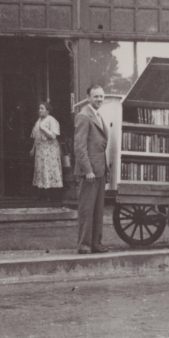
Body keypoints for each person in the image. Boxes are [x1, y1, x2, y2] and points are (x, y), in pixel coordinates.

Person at [74, 85, 110, 254]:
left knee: (98, 210)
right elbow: (79, 147)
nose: (99, 100)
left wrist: (104, 170)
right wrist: (87, 170)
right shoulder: (83, 116)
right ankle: (84, 245)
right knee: (86, 210)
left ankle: (96, 244)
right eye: (96, 97)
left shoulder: (98, 115)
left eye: (101, 97)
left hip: (100, 171)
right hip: (89, 173)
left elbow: (100, 147)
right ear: (88, 98)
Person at [30, 102, 63, 198]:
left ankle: (52, 195)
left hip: (49, 150)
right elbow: (36, 136)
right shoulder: (38, 120)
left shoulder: (51, 120)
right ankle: (42, 194)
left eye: (42, 108)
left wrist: (43, 128)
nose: (40, 110)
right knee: (41, 170)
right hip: (40, 150)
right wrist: (33, 148)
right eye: (39, 108)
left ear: (48, 110)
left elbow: (53, 135)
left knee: (49, 170)